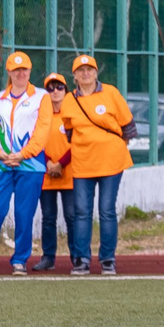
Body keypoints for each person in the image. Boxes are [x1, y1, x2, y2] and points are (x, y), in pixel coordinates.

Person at [0, 53, 52, 275]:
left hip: (31, 165)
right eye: (16, 70)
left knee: (23, 213)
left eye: (24, 69)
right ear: (8, 72)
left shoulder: (41, 97)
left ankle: (20, 260)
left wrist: (23, 154)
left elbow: (42, 131)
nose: (21, 73)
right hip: (1, 164)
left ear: (30, 70)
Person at [60, 55, 132, 274]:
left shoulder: (111, 93)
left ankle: (108, 259)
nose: (85, 74)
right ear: (74, 76)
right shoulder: (69, 100)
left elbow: (128, 127)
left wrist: (113, 146)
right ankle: (82, 259)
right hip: (83, 163)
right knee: (82, 212)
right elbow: (69, 131)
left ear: (96, 72)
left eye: (89, 69)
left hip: (111, 162)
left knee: (107, 210)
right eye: (80, 70)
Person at [35, 74, 73, 270]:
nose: (55, 91)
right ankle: (48, 257)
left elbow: (79, 142)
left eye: (59, 87)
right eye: (50, 88)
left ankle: (77, 257)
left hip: (69, 173)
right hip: (46, 173)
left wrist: (61, 164)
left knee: (72, 217)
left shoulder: (73, 113)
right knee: (48, 218)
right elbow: (35, 142)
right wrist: (49, 162)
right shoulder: (40, 116)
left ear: (66, 90)